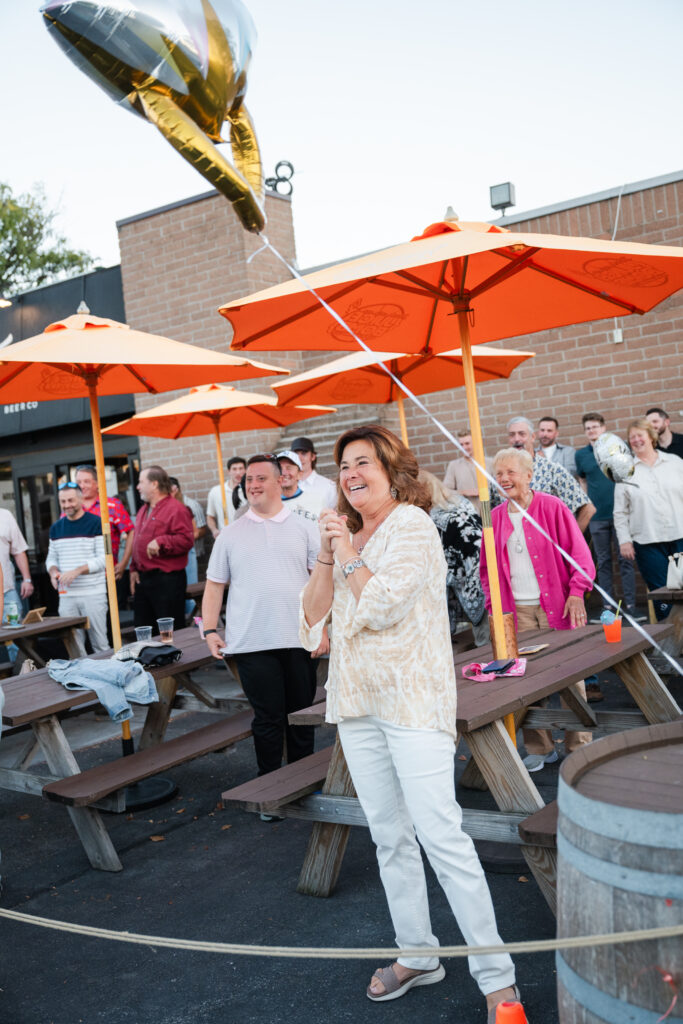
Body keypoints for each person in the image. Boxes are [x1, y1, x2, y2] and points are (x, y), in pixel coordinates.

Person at [300, 425, 521, 1021]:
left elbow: (381, 604)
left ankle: (498, 981)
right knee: (389, 837)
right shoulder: (346, 536)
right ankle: (418, 954)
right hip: (358, 704)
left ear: (391, 472)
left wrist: (348, 553)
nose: (350, 474)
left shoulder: (413, 527)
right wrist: (329, 551)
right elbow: (312, 620)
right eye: (344, 465)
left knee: (442, 837)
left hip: (413, 703)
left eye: (363, 462)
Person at [202, 454, 324, 798]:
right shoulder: (230, 534)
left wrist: (322, 628)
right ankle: (269, 790)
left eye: (260, 478)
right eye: (248, 480)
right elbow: (214, 585)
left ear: (280, 481)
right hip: (251, 641)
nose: (253, 485)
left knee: (301, 717)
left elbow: (319, 583)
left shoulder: (304, 527)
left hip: (300, 639)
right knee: (268, 720)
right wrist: (210, 630)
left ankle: (304, 787)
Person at [479, 448, 595, 772]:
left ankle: (579, 745)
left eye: (511, 472)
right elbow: (486, 570)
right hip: (517, 611)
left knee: (572, 676)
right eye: (499, 474)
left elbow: (580, 556)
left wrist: (577, 593)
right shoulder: (493, 517)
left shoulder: (552, 507)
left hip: (559, 606)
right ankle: (540, 748)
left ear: (529, 475)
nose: (504, 479)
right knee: (526, 682)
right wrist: (494, 608)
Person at [614, 418, 683, 621]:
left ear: (651, 437)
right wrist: (624, 541)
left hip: (680, 535)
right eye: (632, 437)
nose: (636, 440)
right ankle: (670, 635)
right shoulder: (625, 472)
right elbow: (620, 512)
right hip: (647, 542)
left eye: (640, 435)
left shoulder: (675, 463)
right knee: (662, 593)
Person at [575, 413, 640, 621]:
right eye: (588, 428)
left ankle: (631, 607)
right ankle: (608, 609)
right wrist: (588, 504)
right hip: (597, 516)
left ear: (604, 428)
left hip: (620, 514)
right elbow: (583, 481)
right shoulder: (581, 455)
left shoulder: (617, 448)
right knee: (602, 562)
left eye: (595, 426)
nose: (592, 431)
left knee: (625, 561)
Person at [420, 470, 489, 645]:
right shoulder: (460, 506)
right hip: (485, 581)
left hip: (479, 588)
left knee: (487, 644)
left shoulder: (440, 520)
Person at [46, 483, 108, 656]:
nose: (67, 505)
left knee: (100, 644)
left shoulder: (97, 523)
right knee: (74, 647)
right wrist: (52, 571)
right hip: (67, 596)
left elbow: (104, 559)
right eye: (63, 501)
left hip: (93, 593)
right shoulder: (55, 528)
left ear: (81, 499)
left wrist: (77, 571)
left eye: (71, 500)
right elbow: (51, 558)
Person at [130, 466, 194, 633]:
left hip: (166, 580)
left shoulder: (176, 509)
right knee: (144, 628)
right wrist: (133, 568)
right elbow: (137, 540)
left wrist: (162, 541)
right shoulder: (143, 509)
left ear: (154, 484)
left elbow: (187, 540)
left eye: (141, 482)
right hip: (144, 579)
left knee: (169, 631)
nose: (137, 487)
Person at [504, 416, 595, 531]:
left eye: (522, 434)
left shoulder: (552, 470)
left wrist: (572, 539)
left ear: (533, 437)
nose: (517, 439)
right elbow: (490, 512)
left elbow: (587, 508)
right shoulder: (502, 476)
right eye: (512, 435)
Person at [74, 465, 134, 583]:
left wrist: (124, 562)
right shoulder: (72, 508)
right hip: (80, 577)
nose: (82, 486)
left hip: (108, 575)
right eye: (79, 482)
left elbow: (130, 531)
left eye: (86, 482)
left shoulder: (112, 505)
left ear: (97, 483)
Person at [169, 477, 208, 620]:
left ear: (175, 489)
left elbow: (200, 530)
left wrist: (181, 541)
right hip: (176, 556)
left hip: (190, 553)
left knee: (191, 587)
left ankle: (194, 619)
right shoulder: (168, 508)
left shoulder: (190, 506)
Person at [0, 507, 34, 662]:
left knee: (17, 641)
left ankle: (20, 673)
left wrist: (27, 579)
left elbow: (18, 550)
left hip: (7, 590)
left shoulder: (5, 515)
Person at [442, 429, 489, 512]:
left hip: (491, 512)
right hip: (468, 514)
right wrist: (464, 492)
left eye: (467, 443)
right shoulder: (454, 466)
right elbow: (445, 492)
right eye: (461, 444)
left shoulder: (490, 463)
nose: (464, 447)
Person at [290, 436, 337, 513]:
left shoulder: (329, 486)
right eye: (296, 454)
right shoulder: (285, 487)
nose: (299, 458)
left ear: (313, 457)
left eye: (303, 453)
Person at [207, 457, 246, 536]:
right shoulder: (216, 491)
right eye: (234, 469)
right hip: (226, 537)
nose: (238, 472)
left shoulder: (250, 491)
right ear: (229, 471)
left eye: (241, 468)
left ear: (245, 470)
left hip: (247, 535)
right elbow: (210, 517)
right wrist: (214, 530)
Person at [277, 449, 321, 520]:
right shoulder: (267, 506)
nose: (283, 473)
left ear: (299, 474)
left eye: (289, 468)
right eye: (279, 468)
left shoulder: (315, 501)